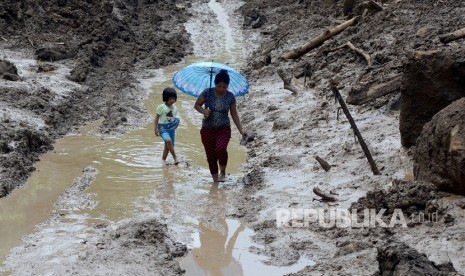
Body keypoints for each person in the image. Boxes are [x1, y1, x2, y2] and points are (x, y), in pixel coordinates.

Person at [194, 69, 247, 182]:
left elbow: (234, 114)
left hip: (223, 129)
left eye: (224, 87)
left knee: (221, 149)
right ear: (215, 84)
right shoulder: (207, 92)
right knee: (211, 156)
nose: (222, 89)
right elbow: (197, 105)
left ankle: (222, 171)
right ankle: (215, 181)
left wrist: (241, 130)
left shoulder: (230, 97)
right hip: (207, 129)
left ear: (227, 86)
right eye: (219, 86)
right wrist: (204, 111)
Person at [154, 87, 180, 165]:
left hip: (171, 129)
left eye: (174, 98)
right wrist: (155, 128)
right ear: (166, 99)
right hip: (163, 128)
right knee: (168, 141)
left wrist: (177, 122)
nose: (172, 100)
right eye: (170, 99)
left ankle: (163, 160)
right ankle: (175, 158)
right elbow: (156, 118)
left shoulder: (175, 108)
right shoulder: (161, 107)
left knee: (168, 146)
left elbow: (174, 118)